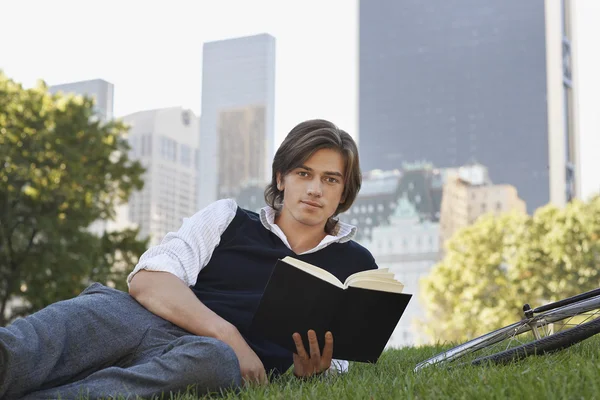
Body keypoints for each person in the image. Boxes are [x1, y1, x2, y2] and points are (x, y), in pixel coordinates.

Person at [0, 119, 379, 399]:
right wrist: (229, 334)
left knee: (212, 361)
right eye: (304, 173)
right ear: (281, 178)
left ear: (344, 191)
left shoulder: (357, 265)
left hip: (211, 362)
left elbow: (343, 363)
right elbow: (148, 279)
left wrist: (310, 374)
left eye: (330, 179)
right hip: (145, 322)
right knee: (58, 331)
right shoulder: (227, 218)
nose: (315, 189)